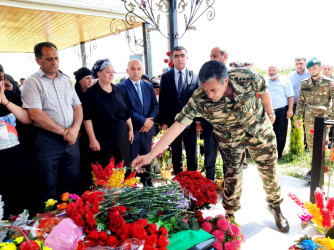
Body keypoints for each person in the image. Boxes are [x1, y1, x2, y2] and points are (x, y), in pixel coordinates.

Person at [133, 60, 290, 233]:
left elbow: (264, 91)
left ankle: (276, 206)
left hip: (259, 131)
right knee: (232, 176)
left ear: (226, 81)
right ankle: (230, 215)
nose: (209, 95)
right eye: (206, 90)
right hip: (230, 139)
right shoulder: (199, 98)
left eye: (213, 90)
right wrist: (149, 156)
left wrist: (270, 112)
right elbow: (177, 126)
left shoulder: (246, 77)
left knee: (269, 173)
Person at [21, 42, 83, 201]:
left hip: (71, 138)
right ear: (38, 60)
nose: (54, 62)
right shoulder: (32, 82)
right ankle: (50, 221)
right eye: (49, 59)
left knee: (73, 179)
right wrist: (64, 132)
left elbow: (77, 107)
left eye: (56, 58)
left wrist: (75, 129)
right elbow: (35, 115)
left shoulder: (67, 80)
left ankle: (74, 218)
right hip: (48, 140)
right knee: (49, 183)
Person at [0, 64, 40, 217]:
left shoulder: (10, 97)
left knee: (23, 204)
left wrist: (5, 102)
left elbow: (27, 119)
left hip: (20, 162)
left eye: (1, 79)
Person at [82, 59, 134, 171]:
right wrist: (92, 139)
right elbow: (87, 119)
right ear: (99, 73)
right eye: (108, 71)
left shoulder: (118, 90)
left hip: (121, 138)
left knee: (124, 171)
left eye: (113, 71)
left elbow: (126, 112)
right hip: (102, 140)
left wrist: (130, 129)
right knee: (106, 173)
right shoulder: (91, 93)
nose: (111, 74)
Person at [158, 46, 199, 175]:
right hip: (172, 122)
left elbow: (198, 101)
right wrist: (163, 121)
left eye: (182, 55)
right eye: (176, 56)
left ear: (187, 58)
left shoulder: (195, 76)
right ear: (172, 59)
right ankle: (179, 181)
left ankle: (193, 180)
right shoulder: (165, 77)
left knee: (192, 153)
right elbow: (163, 100)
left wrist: (198, 121)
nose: (180, 58)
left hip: (190, 122)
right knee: (176, 153)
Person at [118, 59, 158, 186]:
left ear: (142, 70)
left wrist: (149, 122)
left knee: (147, 158)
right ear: (127, 70)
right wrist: (143, 121)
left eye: (139, 68)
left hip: (147, 130)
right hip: (133, 130)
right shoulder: (122, 87)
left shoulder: (148, 86)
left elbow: (155, 105)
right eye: (133, 68)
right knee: (131, 160)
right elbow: (125, 108)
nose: (136, 71)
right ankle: (131, 186)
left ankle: (148, 185)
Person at [296, 58, 334, 181]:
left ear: (320, 68)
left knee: (322, 143)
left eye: (315, 68)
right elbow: (301, 102)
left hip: (323, 119)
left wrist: (331, 120)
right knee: (311, 144)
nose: (312, 70)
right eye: (310, 68)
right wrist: (297, 118)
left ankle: (321, 169)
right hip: (308, 119)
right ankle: (315, 169)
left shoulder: (329, 83)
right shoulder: (304, 83)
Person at [196, 46, 226, 181]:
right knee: (210, 156)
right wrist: (198, 121)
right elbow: (198, 102)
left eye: (215, 56)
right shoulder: (205, 75)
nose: (212, 59)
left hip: (228, 129)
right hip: (209, 126)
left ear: (224, 57)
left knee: (229, 159)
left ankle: (228, 184)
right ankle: (210, 184)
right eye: (211, 56)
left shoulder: (235, 78)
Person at [73, 67, 94, 193]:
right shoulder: (74, 95)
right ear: (79, 81)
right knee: (83, 167)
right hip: (80, 137)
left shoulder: (94, 94)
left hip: (93, 136)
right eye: (87, 78)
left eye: (91, 78)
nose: (90, 81)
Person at [267, 65, 294, 158]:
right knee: (267, 133)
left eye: (273, 70)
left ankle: (278, 154)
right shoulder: (265, 81)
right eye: (269, 70)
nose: (271, 72)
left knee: (280, 132)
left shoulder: (285, 81)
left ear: (278, 70)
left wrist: (290, 110)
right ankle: (268, 153)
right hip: (267, 112)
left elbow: (290, 96)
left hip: (281, 110)